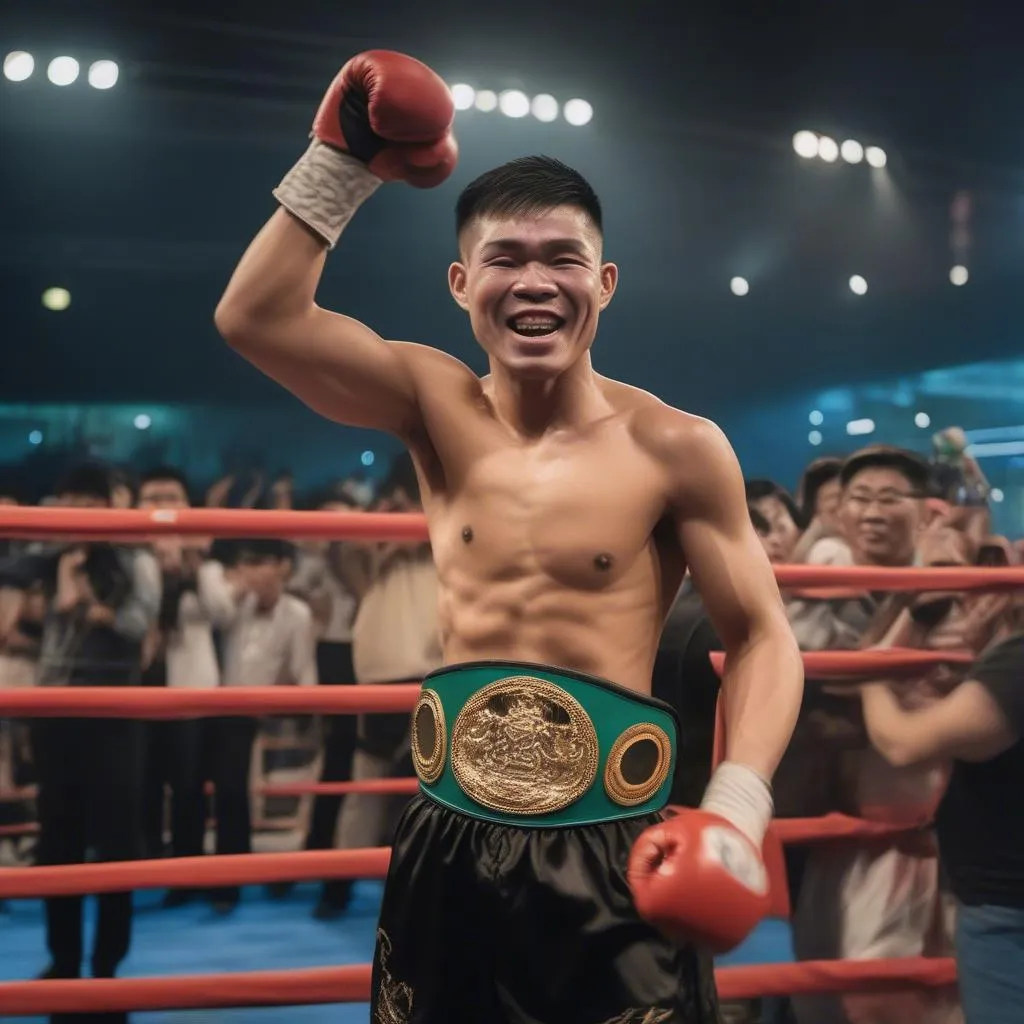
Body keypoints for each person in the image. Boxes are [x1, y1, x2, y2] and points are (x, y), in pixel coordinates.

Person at [215, 50, 803, 1022]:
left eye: (562, 258)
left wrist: (736, 805)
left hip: (613, 841)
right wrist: (342, 162)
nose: (535, 281)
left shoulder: (675, 445)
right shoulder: (428, 401)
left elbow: (765, 635)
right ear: (459, 282)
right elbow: (256, 317)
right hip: (450, 831)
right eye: (506, 258)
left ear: (604, 282)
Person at [859, 582, 1023, 1024]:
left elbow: (902, 743)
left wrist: (870, 676)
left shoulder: (1015, 668)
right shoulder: (1005, 661)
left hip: (1006, 911)